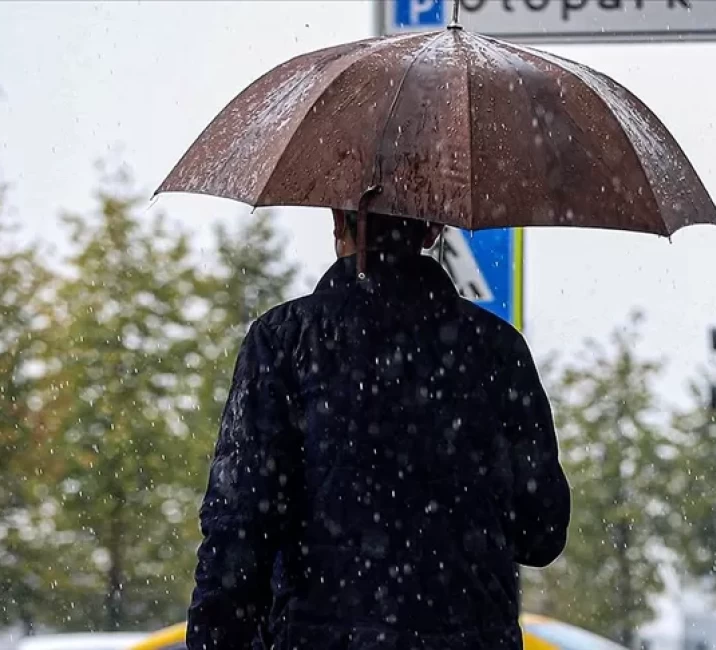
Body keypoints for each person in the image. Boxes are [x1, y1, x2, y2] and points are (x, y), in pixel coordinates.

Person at [187, 210, 571, 650]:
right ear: (434, 227)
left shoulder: (284, 341)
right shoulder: (497, 352)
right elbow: (541, 533)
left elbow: (238, 527)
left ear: (338, 220)